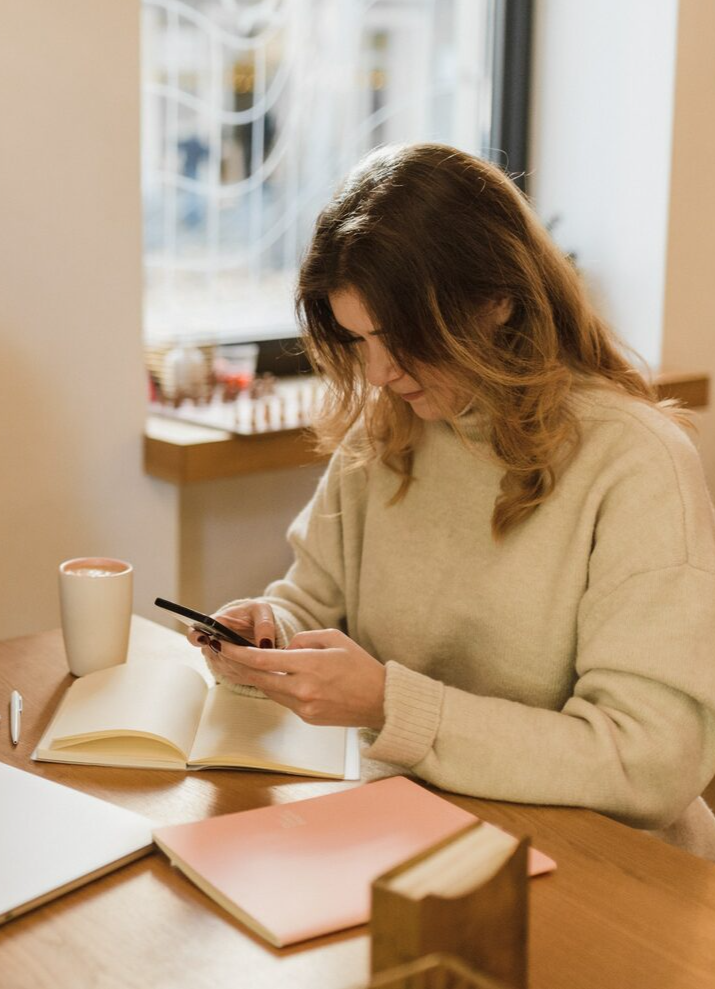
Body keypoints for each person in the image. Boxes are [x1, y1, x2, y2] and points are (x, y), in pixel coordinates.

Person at [189, 143, 715, 857]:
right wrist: (267, 633)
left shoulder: (635, 464)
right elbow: (313, 601)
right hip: (421, 835)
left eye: (399, 337)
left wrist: (388, 704)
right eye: (359, 340)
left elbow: (648, 762)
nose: (378, 372)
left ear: (498, 300)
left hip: (608, 871)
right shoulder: (387, 436)